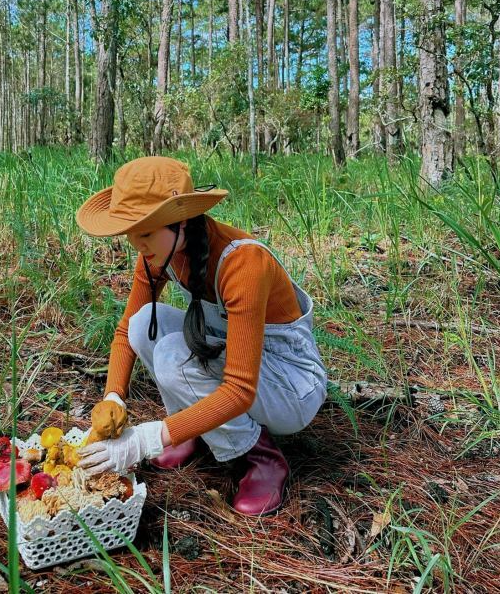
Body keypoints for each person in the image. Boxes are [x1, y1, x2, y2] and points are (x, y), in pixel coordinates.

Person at [76, 156, 327, 515]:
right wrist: (113, 397)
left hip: (290, 383)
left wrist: (149, 438)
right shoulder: (158, 253)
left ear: (180, 221)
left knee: (173, 356)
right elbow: (125, 330)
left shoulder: (243, 263)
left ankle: (260, 457)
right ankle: (192, 430)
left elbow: (240, 388)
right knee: (143, 325)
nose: (137, 244)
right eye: (130, 233)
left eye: (145, 233)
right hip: (231, 347)